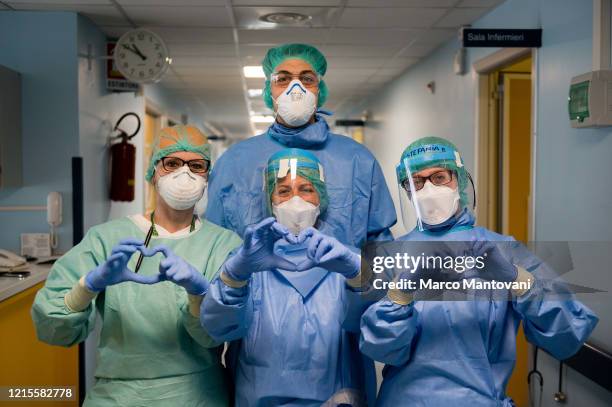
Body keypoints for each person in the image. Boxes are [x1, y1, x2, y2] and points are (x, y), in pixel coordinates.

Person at [359, 136, 598, 407]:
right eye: (417, 181)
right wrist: (399, 297)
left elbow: (568, 335)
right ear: (407, 191)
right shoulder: (391, 256)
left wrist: (517, 279)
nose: (427, 190)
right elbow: (381, 350)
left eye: (439, 177)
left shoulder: (504, 251)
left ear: (459, 180)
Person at [31, 125, 242, 406]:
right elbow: (53, 327)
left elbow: (218, 334)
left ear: (207, 176)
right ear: (153, 171)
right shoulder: (106, 239)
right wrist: (87, 286)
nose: (185, 173)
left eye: (196, 165)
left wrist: (198, 294)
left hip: (197, 394)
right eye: (172, 163)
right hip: (117, 395)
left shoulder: (224, 244)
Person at [201, 148, 375, 406]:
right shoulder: (248, 260)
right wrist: (234, 276)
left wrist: (358, 276)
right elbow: (218, 328)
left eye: (306, 189)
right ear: (269, 200)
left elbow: (377, 330)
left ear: (321, 197)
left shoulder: (346, 261)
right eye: (283, 191)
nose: (296, 201)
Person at [206, 43, 396, 248]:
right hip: (253, 280)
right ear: (269, 89)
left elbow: (380, 244)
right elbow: (216, 243)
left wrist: (358, 273)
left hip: (343, 280)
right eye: (283, 79)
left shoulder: (356, 159)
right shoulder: (235, 161)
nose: (295, 90)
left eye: (307, 79)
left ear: (319, 89)